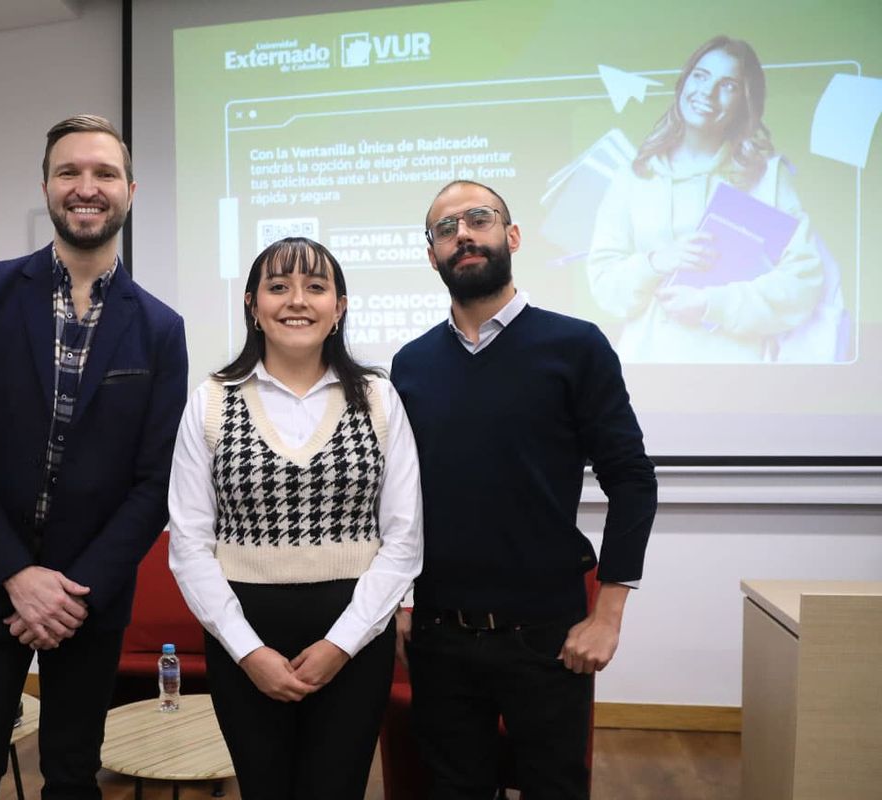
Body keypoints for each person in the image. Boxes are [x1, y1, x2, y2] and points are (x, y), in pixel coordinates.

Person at [0, 114, 187, 799]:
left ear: (131, 190)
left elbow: (156, 481)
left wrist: (69, 591)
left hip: (87, 601)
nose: (86, 187)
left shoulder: (160, 329)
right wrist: (16, 574)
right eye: (69, 171)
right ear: (46, 185)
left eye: (104, 173)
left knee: (72, 778)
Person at [391, 181, 658, 799]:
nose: (462, 234)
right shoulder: (411, 365)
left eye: (478, 219)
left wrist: (608, 618)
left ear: (510, 237)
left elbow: (632, 480)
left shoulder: (576, 346)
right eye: (444, 228)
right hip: (440, 636)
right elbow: (399, 500)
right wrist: (401, 604)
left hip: (548, 639)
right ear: (432, 255)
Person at [168, 237, 422, 800]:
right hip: (242, 635)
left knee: (337, 788)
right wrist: (248, 651)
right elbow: (188, 543)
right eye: (278, 287)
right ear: (253, 306)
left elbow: (403, 540)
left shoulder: (380, 397)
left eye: (315, 287)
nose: (296, 301)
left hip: (356, 635)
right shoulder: (210, 399)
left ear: (340, 307)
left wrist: (342, 643)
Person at [588, 35, 824, 363]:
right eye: (700, 76)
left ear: (746, 101)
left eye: (728, 85)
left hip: (737, 378)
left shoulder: (767, 178)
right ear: (683, 82)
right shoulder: (633, 178)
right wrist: (656, 261)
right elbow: (604, 288)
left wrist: (712, 305)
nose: (708, 93)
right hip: (645, 374)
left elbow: (803, 283)